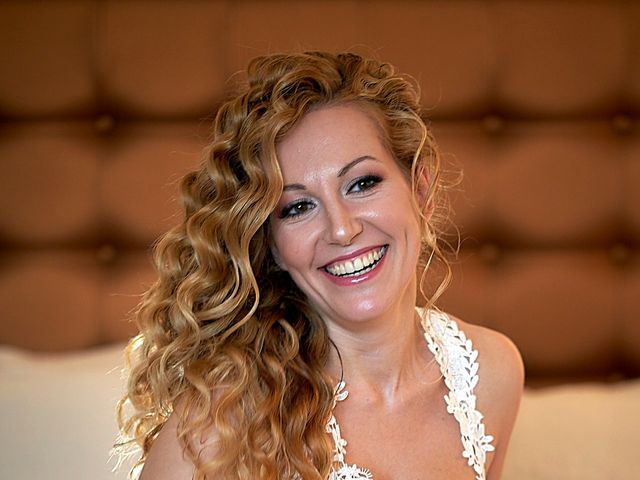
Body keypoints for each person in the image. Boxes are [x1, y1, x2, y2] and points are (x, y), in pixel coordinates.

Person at [117, 51, 524, 480]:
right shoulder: (219, 425)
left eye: (362, 183)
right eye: (297, 207)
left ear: (420, 190)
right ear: (270, 244)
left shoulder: (491, 373)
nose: (342, 230)